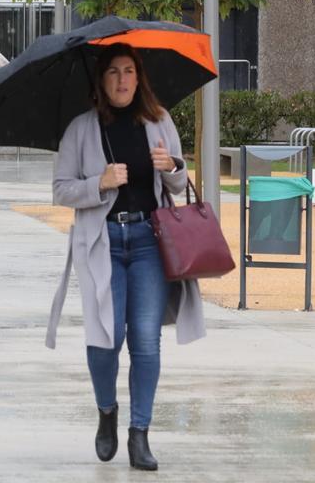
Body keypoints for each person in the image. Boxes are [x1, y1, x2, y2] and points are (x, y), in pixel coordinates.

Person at [48, 44, 205, 471]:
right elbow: (61, 189)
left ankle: (140, 434)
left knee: (147, 343)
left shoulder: (159, 122)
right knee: (105, 339)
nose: (122, 79)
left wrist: (172, 166)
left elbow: (178, 184)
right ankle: (106, 412)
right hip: (104, 244)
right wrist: (97, 183)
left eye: (129, 71)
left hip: (150, 243)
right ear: (101, 80)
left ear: (139, 78)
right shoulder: (81, 129)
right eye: (114, 71)